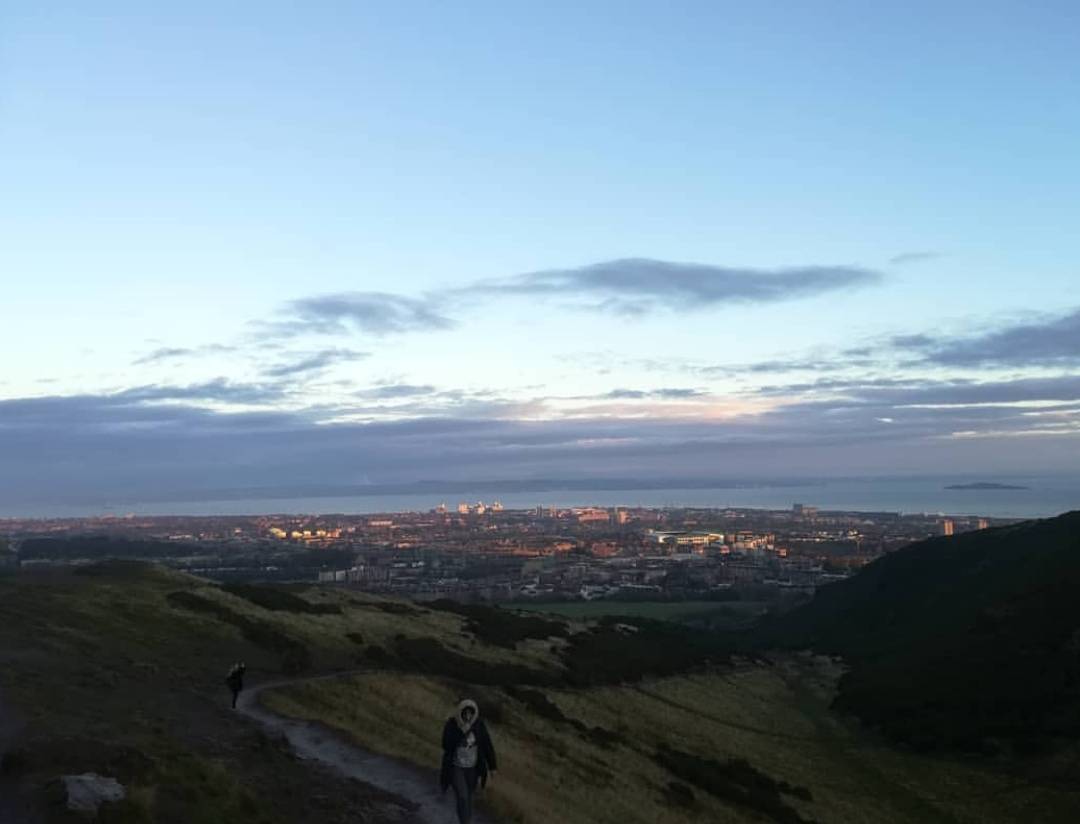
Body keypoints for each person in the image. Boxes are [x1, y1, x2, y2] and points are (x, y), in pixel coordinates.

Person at [440, 698, 496, 824]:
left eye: (471, 713)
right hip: (456, 767)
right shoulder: (452, 725)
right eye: (465, 713)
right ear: (460, 712)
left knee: (469, 798)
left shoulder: (479, 725)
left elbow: (487, 745)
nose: (468, 716)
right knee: (462, 796)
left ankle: (465, 821)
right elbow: (445, 744)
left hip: (473, 768)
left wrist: (492, 767)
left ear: (474, 713)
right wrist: (461, 732)